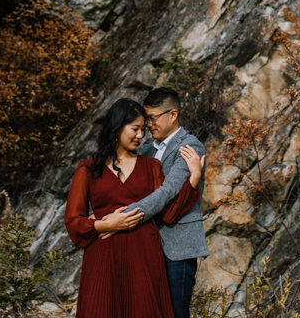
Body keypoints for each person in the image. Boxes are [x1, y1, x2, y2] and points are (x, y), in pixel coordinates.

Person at [64, 98, 204, 318]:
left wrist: (193, 180)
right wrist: (104, 224)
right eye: (135, 129)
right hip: (104, 257)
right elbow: (73, 222)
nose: (141, 135)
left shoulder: (151, 166)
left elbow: (168, 213)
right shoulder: (88, 169)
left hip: (144, 259)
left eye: (142, 130)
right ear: (117, 127)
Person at [124, 88, 208, 318]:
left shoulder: (190, 146)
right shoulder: (148, 150)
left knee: (177, 312)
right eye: (146, 119)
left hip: (178, 246)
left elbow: (169, 191)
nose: (148, 125)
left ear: (172, 115)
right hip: (149, 244)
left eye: (153, 118)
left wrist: (128, 214)